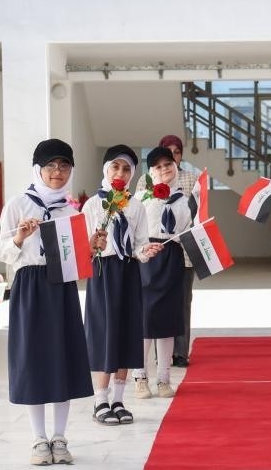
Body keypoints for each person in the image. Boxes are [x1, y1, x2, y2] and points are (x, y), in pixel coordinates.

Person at [0, 139, 94, 466]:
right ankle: (38, 438)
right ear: (37, 169)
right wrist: (20, 237)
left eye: (64, 165)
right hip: (29, 285)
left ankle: (60, 437)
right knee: (33, 360)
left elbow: (77, 260)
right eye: (50, 165)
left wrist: (91, 247)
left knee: (63, 358)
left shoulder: (71, 210)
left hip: (62, 287)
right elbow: (3, 254)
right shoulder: (18, 204)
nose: (57, 172)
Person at [82, 145, 161, 425]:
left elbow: (138, 244)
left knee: (126, 331)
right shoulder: (93, 205)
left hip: (128, 272)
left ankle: (118, 399)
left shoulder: (136, 205)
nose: (120, 173)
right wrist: (94, 244)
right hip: (103, 273)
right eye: (115, 167)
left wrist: (145, 251)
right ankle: (100, 400)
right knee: (104, 332)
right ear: (106, 170)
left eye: (127, 169)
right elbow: (84, 248)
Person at [135, 146, 189, 399]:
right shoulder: (141, 199)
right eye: (158, 166)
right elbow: (134, 232)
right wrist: (143, 249)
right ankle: (140, 377)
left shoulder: (184, 200)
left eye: (168, 164)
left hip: (172, 259)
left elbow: (187, 230)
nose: (164, 169)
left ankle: (164, 379)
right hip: (147, 258)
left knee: (168, 320)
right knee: (145, 320)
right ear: (151, 173)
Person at [160, 133, 199, 367]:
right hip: (158, 251)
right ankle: (162, 353)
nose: (173, 157)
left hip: (184, 250)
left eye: (177, 152)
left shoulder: (191, 179)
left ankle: (181, 353)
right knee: (160, 301)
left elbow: (197, 214)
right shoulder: (147, 180)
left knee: (183, 301)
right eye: (169, 152)